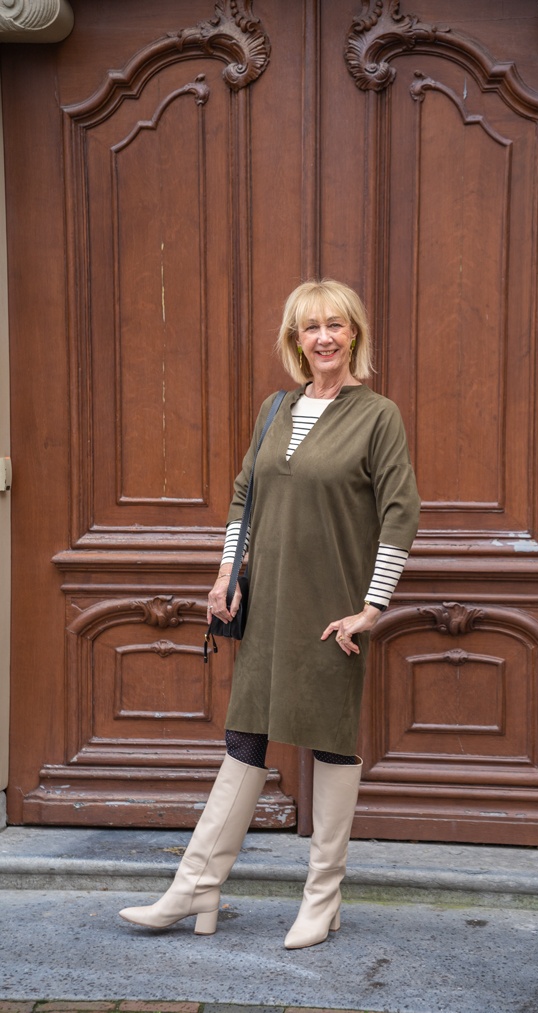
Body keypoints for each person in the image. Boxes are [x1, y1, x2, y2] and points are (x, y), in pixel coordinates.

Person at [119, 279, 420, 948]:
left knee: (331, 738)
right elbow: (243, 497)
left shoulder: (378, 416)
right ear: (295, 339)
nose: (324, 338)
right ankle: (196, 886)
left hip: (332, 608)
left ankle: (323, 897)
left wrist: (372, 607)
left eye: (336, 325)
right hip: (269, 603)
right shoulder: (275, 408)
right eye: (311, 327)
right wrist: (226, 575)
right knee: (245, 736)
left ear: (354, 334)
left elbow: (402, 512)